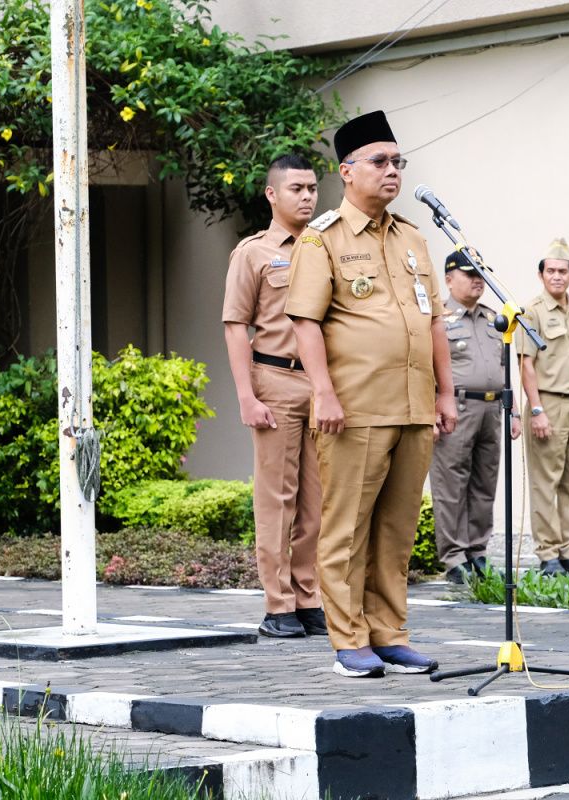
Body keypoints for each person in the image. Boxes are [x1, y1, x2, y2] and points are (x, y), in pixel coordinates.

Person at [285, 110, 457, 678]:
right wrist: (323, 393)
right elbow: (306, 323)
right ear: (347, 170)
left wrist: (445, 395)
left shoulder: (412, 237)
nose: (392, 171)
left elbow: (432, 321)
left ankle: (390, 632)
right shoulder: (323, 238)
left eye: (397, 161)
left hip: (412, 404)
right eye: (380, 161)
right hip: (354, 406)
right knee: (347, 525)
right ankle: (349, 638)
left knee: (398, 527)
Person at [222, 154, 326, 639]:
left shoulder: (325, 247)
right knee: (277, 499)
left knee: (317, 501)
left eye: (312, 188)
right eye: (297, 189)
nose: (307, 196)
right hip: (276, 383)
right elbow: (235, 326)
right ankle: (278, 603)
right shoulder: (254, 253)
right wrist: (246, 396)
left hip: (322, 385)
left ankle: (309, 597)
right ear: (272, 194)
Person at [430, 250, 521, 584]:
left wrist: (515, 412)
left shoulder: (492, 318)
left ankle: (477, 551)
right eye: (469, 274)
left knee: (485, 482)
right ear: (450, 278)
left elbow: (503, 367)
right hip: (457, 407)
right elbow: (427, 368)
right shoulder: (438, 318)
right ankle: (454, 557)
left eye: (480, 274)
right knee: (451, 484)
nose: (477, 280)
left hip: (492, 408)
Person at [518, 238, 569, 574]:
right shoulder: (532, 311)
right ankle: (548, 552)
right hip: (548, 403)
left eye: (562, 271)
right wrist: (536, 409)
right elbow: (526, 364)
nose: (556, 277)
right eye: (550, 271)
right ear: (541, 275)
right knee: (545, 481)